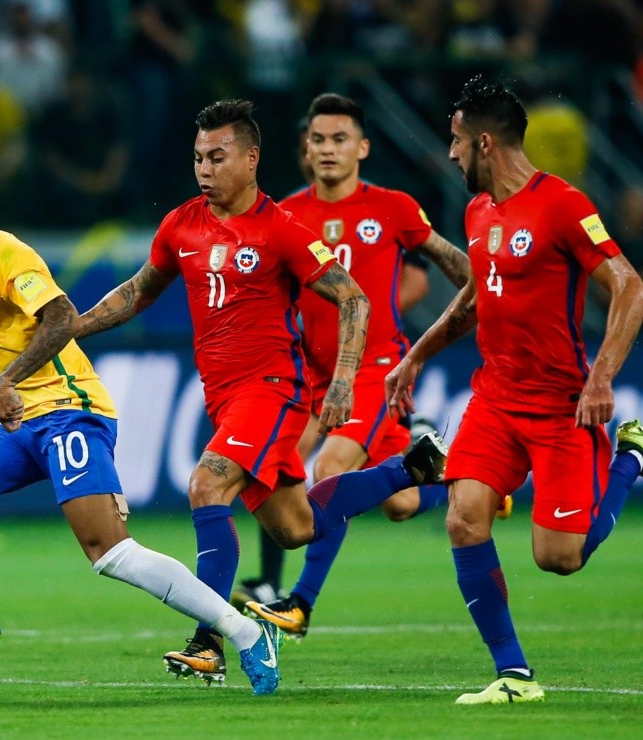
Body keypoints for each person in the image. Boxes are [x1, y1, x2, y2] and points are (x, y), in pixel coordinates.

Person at [0, 163, 285, 696]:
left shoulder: (6, 254)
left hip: (70, 410)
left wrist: (8, 377)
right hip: (22, 423)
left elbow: (61, 317)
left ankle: (247, 633)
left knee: (110, 553)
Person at [74, 99, 448, 684]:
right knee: (295, 527)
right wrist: (74, 325)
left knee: (206, 485)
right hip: (223, 396)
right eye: (198, 157)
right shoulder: (181, 224)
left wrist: (343, 381)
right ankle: (413, 469)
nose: (204, 167)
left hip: (272, 390)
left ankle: (209, 641)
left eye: (217, 157)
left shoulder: (282, 229)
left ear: (251, 159)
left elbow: (354, 297)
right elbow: (137, 292)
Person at [386, 76, 643, 705]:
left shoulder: (561, 204)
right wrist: (415, 356)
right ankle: (514, 675)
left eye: (454, 141)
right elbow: (474, 301)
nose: (448, 155)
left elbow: (630, 285)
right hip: (495, 400)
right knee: (464, 517)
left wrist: (602, 376)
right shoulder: (478, 212)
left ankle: (630, 460)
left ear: (483, 141)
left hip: (559, 407)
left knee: (559, 558)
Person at [241, 93, 479, 638]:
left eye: (340, 139)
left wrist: (496, 291)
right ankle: (468, 477)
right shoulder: (286, 215)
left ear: (362, 148)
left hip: (376, 371)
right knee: (400, 502)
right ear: (306, 147)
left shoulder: (393, 208)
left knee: (329, 471)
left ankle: (298, 602)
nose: (328, 149)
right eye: (319, 140)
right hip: (313, 375)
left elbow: (456, 263)